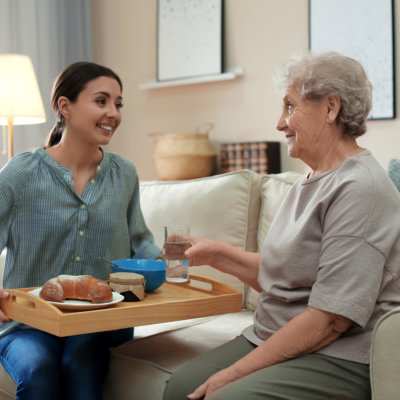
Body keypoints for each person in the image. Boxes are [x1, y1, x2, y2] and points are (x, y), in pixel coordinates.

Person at [162, 51, 400, 400]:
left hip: (340, 354)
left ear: (331, 108)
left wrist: (231, 375)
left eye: (290, 106)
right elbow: (291, 277)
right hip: (276, 333)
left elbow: (331, 320)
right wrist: (217, 254)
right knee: (180, 387)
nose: (279, 122)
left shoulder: (361, 188)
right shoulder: (312, 179)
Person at [0, 61, 162, 399]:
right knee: (37, 371)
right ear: (65, 107)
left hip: (102, 320)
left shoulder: (124, 174)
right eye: (101, 101)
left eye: (118, 103)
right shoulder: (21, 173)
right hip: (31, 322)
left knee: (80, 364)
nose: (114, 113)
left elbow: (139, 241)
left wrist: (173, 264)